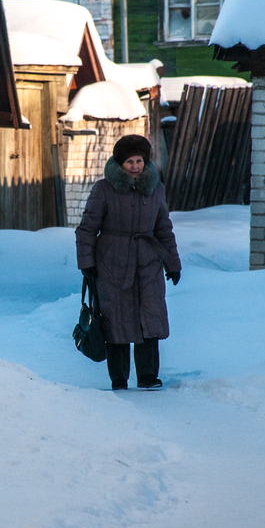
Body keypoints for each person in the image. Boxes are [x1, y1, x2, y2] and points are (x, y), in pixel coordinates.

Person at [75, 134, 181, 390]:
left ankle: (147, 376)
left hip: (148, 262)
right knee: (116, 320)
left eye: (140, 161)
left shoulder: (156, 188)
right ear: (120, 163)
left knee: (149, 318)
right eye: (130, 162)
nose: (135, 166)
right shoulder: (104, 188)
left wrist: (173, 263)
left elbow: (164, 228)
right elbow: (87, 228)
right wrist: (86, 263)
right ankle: (119, 378)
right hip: (112, 262)